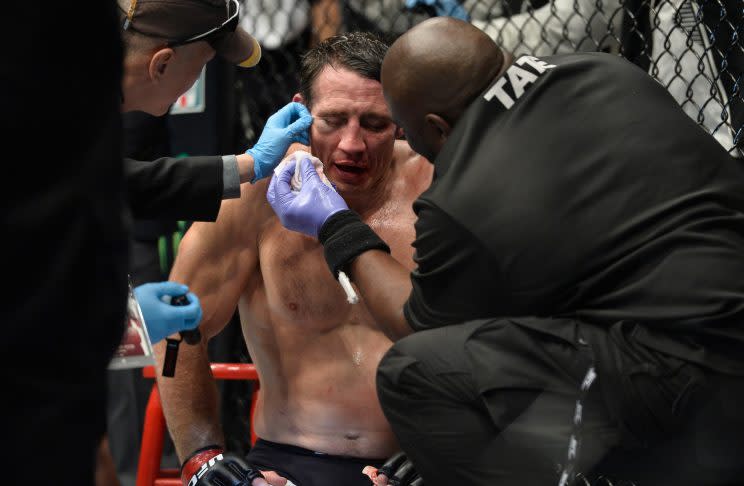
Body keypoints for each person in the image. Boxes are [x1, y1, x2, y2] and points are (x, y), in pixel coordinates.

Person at [268, 17, 744, 486]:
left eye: (394, 130)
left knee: (413, 373)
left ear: (436, 128)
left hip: (690, 376)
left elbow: (420, 330)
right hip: (710, 328)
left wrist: (336, 224)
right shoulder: (607, 73)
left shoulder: (467, 194)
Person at [154, 32, 434, 486]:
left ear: (401, 119)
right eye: (334, 120)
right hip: (290, 463)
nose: (352, 144)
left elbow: (503, 332)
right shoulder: (255, 197)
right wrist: (200, 458)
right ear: (301, 111)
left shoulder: (437, 191)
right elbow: (171, 326)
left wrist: (454, 445)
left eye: (375, 123)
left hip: (426, 459)